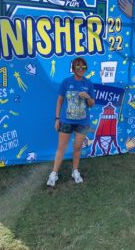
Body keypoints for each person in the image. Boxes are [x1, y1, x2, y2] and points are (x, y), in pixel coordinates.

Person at [47, 58, 95, 187]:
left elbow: (91, 105)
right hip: (66, 121)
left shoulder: (88, 83)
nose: (80, 69)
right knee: (61, 148)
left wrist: (88, 97)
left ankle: (75, 171)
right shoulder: (66, 82)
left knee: (77, 147)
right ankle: (54, 173)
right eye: (77, 66)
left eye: (83, 66)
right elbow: (59, 101)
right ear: (73, 68)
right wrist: (57, 118)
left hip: (83, 122)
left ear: (85, 68)